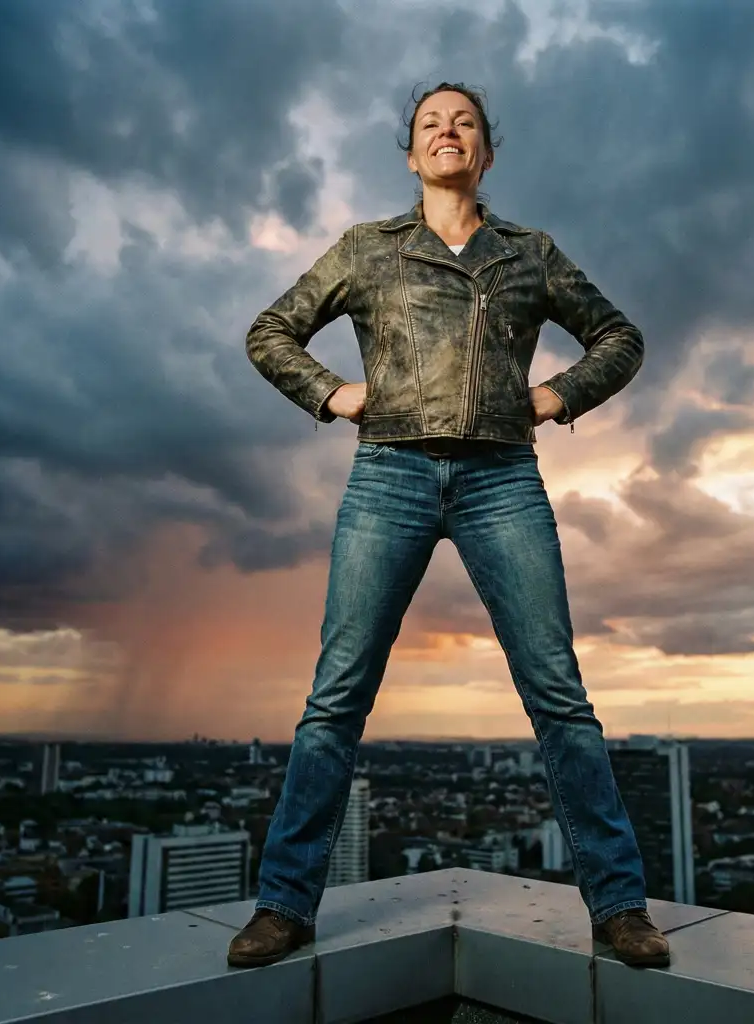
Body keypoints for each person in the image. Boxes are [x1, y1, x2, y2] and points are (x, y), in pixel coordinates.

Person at [227, 82, 670, 971]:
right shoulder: (366, 248)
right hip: (387, 472)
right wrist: (334, 394)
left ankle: (619, 905)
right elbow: (271, 331)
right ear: (410, 153)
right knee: (337, 693)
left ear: (486, 152)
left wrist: (554, 395)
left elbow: (619, 338)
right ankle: (284, 904)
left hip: (503, 476)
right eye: (431, 123)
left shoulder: (529, 252)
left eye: (463, 122)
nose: (447, 132)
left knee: (557, 691)